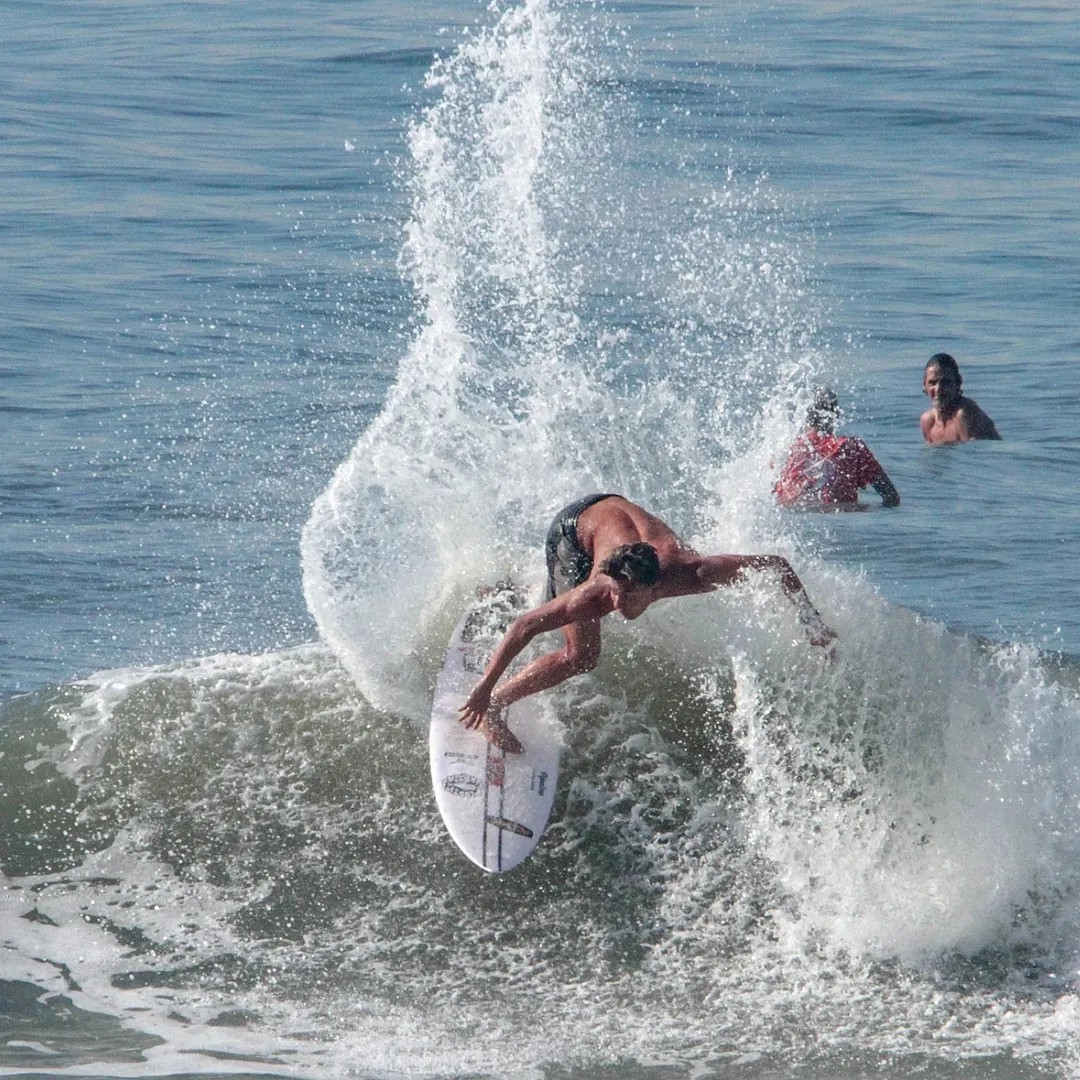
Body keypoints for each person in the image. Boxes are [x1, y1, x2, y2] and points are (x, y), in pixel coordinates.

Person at [459, 494, 837, 753]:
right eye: (616, 594)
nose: (618, 605)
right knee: (581, 655)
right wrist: (483, 689)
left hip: (611, 513)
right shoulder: (599, 590)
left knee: (567, 618)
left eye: (629, 597)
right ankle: (496, 706)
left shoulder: (696, 573)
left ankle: (515, 587)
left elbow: (776, 566)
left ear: (656, 587)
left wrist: (812, 624)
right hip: (574, 531)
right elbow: (525, 627)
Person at [775, 387, 900, 509]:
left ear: (806, 416)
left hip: (797, 517)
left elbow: (773, 496)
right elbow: (891, 497)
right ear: (836, 415)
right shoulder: (852, 447)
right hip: (841, 518)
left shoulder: (787, 449)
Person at [920, 353, 1001, 444]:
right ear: (924, 385)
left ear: (958, 383)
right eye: (932, 383)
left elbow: (975, 454)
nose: (938, 389)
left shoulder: (963, 414)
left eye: (946, 382)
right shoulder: (928, 422)